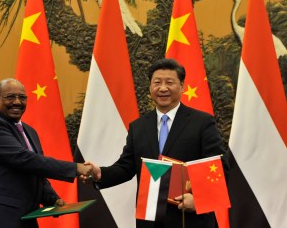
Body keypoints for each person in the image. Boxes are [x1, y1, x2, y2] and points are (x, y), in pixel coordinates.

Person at [84, 58, 229, 228]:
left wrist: (198, 199)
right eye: (157, 82)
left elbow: (218, 167)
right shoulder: (138, 127)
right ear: (150, 88)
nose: (163, 88)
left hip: (189, 218)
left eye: (169, 82)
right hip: (150, 220)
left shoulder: (202, 122)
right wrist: (101, 173)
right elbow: (126, 167)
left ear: (182, 86)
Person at [0, 78, 92, 228]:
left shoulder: (30, 132)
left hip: (26, 217)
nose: (17, 102)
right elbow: (24, 159)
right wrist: (76, 168)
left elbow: (35, 170)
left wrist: (52, 199)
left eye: (22, 97)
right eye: (10, 97)